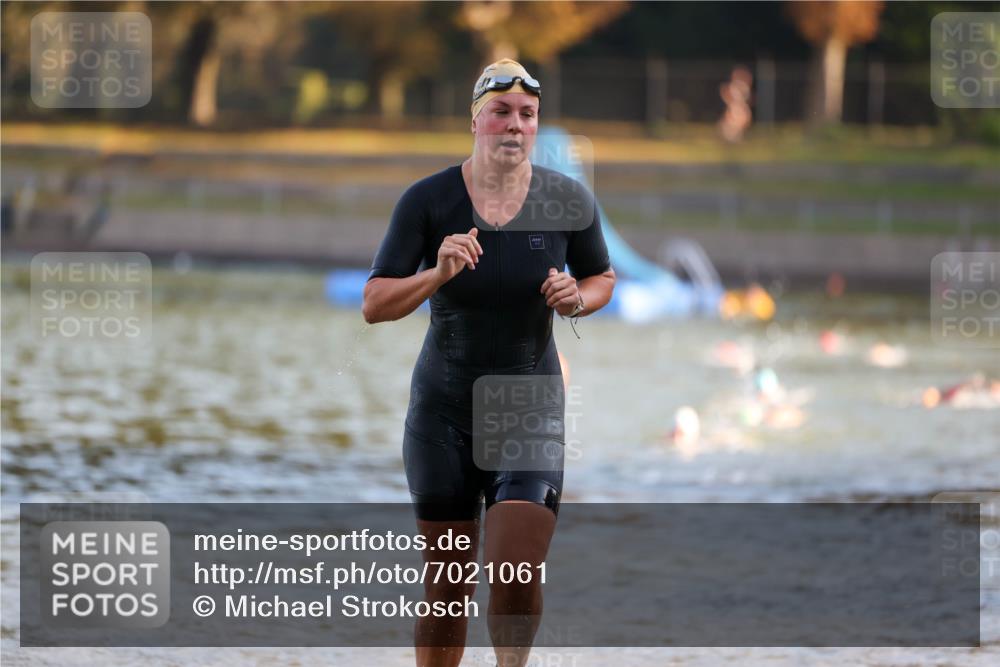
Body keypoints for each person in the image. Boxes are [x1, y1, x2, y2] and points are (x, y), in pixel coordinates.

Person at [362, 58, 616, 667]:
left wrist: (578, 298)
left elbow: (603, 277)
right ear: (475, 120)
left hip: (527, 405)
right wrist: (436, 273)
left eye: (527, 115)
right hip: (442, 412)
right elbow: (374, 304)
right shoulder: (428, 201)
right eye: (500, 112)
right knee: (448, 586)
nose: (514, 125)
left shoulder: (566, 200)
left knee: (515, 567)